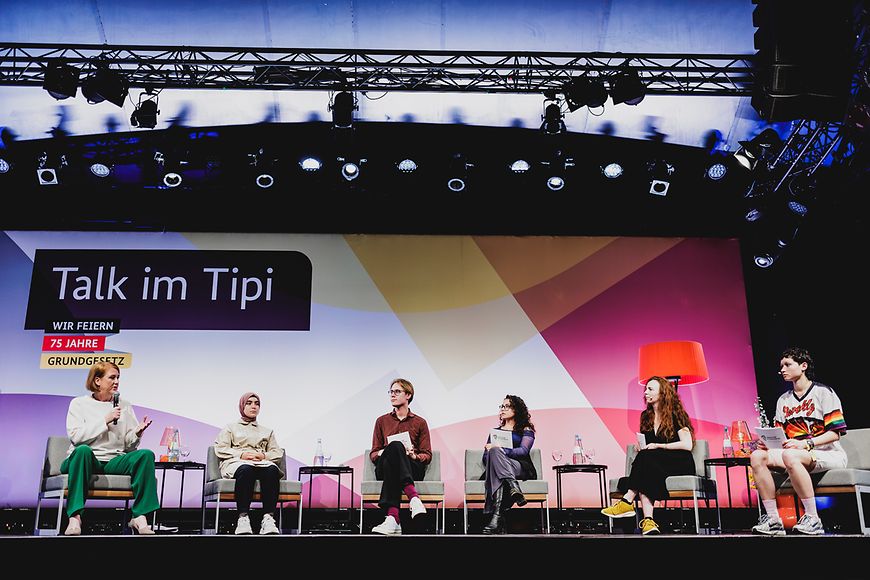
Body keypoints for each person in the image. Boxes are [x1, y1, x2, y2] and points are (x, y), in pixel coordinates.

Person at [750, 347, 848, 536]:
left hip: (828, 452)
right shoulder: (783, 400)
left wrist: (806, 444)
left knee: (790, 454)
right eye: (781, 367)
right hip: (794, 453)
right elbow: (781, 436)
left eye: (788, 364)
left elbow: (835, 434)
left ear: (803, 366)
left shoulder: (824, 393)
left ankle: (813, 518)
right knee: (757, 456)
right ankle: (773, 520)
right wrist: (767, 443)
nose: (783, 370)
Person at [61, 361, 159, 535]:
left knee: (145, 455)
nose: (116, 382)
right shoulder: (79, 404)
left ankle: (140, 516)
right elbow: (76, 437)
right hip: (85, 460)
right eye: (112, 377)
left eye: (118, 378)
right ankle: (74, 517)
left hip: (113, 460)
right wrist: (104, 420)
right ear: (97, 381)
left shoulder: (124, 404)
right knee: (82, 450)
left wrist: (137, 433)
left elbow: (129, 446)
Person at [601, 375, 696, 535]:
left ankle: (627, 500)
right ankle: (649, 522)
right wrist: (642, 446)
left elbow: (687, 445)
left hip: (679, 461)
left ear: (663, 393)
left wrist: (659, 445)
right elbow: (649, 446)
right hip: (656, 464)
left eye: (650, 389)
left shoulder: (676, 414)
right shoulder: (646, 416)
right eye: (645, 389)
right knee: (646, 466)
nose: (646, 392)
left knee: (643, 467)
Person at [368, 378, 432, 535]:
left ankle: (393, 519)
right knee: (395, 447)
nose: (392, 395)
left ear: (408, 395)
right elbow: (374, 453)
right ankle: (414, 498)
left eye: (397, 391)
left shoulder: (420, 422)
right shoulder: (381, 421)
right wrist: (385, 450)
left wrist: (414, 455)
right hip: (384, 466)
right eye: (391, 392)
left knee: (395, 460)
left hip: (411, 467)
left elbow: (427, 454)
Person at [214, 392, 285, 535]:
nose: (254, 406)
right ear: (242, 406)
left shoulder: (267, 431)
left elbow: (277, 452)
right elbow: (220, 448)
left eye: (256, 403)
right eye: (249, 403)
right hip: (237, 462)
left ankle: (268, 518)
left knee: (272, 470)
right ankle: (243, 518)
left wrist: (263, 455)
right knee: (246, 469)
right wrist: (241, 454)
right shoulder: (230, 427)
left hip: (261, 462)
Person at [480, 394, 537, 534]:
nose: (503, 409)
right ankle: (511, 488)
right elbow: (486, 458)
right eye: (502, 406)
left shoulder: (525, 430)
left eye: (507, 406)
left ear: (516, 410)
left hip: (519, 466)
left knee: (496, 451)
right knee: (494, 453)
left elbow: (523, 451)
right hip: (502, 468)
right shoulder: (495, 432)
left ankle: (497, 516)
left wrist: (501, 450)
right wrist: (492, 451)